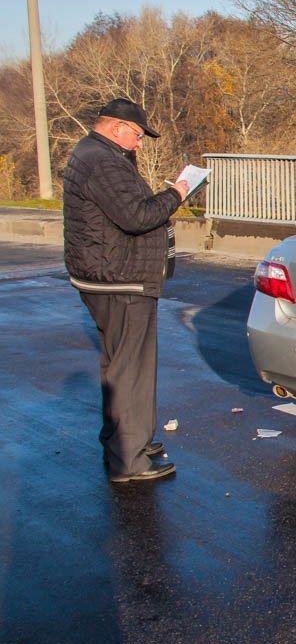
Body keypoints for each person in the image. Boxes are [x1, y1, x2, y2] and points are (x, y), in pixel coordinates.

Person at [63, 98, 189, 483]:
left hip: (112, 275)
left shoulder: (94, 154)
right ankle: (129, 462)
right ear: (116, 127)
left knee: (120, 365)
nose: (139, 143)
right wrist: (178, 195)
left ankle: (129, 441)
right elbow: (137, 216)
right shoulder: (102, 160)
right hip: (120, 280)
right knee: (129, 369)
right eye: (137, 135)